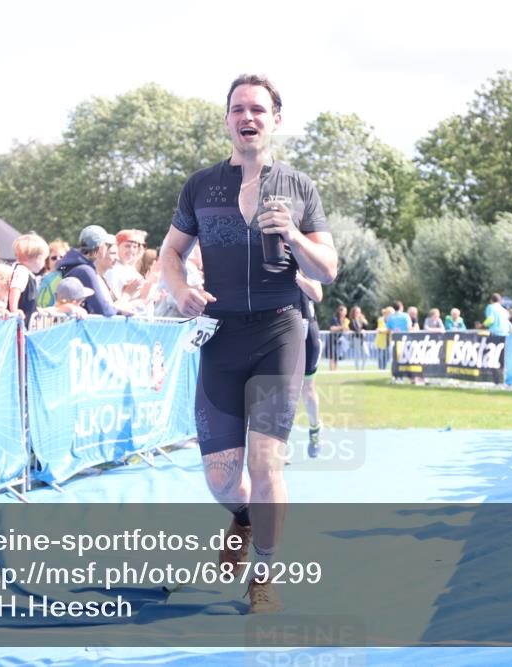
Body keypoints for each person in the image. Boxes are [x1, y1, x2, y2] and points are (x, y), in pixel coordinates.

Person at [160, 74, 336, 613]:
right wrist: (181, 288)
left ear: (275, 120)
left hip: (279, 331)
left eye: (258, 109)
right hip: (220, 335)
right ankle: (239, 516)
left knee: (266, 465)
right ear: (227, 120)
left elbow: (327, 269)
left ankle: (263, 572)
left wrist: (297, 238)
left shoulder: (299, 187)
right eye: (238, 109)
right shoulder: (200, 186)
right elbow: (170, 253)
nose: (248, 117)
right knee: (220, 481)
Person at [55, 225, 120, 317]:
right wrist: (120, 310)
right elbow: (104, 309)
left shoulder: (68, 266)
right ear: (101, 248)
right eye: (106, 245)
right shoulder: (86, 271)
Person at [296, 272, 323, 457]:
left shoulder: (306, 265)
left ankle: (315, 428)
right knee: (282, 391)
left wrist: (297, 278)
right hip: (280, 330)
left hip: (307, 333)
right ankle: (279, 444)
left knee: (307, 389)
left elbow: (317, 294)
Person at [8, 233, 50, 326]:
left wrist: (36, 309)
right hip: (18, 325)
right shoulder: (22, 271)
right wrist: (14, 309)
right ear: (38, 259)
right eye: (44, 259)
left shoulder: (27, 273)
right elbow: (15, 288)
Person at [327, 304, 349, 371]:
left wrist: (346, 328)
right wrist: (342, 327)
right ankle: (331, 371)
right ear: (340, 311)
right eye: (344, 311)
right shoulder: (334, 319)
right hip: (332, 340)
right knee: (332, 357)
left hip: (338, 340)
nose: (345, 313)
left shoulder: (345, 320)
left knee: (336, 357)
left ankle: (335, 371)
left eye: (346, 311)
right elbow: (332, 328)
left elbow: (346, 329)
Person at [349, 305, 369, 370]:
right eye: (357, 312)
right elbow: (354, 328)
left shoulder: (361, 320)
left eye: (359, 312)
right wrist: (361, 331)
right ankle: (357, 369)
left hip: (362, 339)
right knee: (357, 355)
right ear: (354, 313)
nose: (358, 314)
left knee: (366, 354)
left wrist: (364, 321)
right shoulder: (352, 320)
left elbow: (366, 327)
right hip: (356, 338)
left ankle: (362, 368)